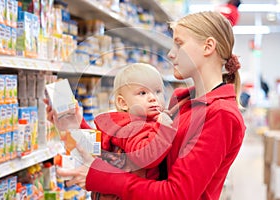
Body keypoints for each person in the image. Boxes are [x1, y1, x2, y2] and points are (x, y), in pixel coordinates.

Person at [52, 11, 246, 199]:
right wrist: (75, 127)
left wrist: (100, 178)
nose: (171, 54)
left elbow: (177, 194)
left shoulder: (220, 114)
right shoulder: (183, 102)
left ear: (208, 46)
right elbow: (131, 152)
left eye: (179, 44)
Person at [91, 63, 175, 200]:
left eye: (158, 91)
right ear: (123, 103)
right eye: (143, 93)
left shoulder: (130, 122)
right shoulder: (132, 126)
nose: (153, 98)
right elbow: (145, 157)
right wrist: (163, 128)